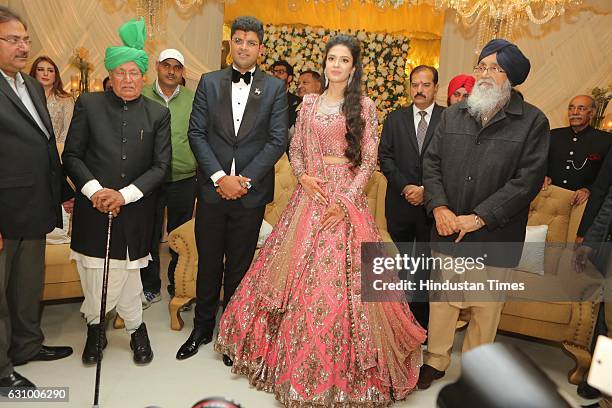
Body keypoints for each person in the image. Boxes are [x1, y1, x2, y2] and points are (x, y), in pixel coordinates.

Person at [214, 34, 426, 406]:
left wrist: (345, 201)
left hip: (345, 202)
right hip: (309, 197)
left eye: (344, 60)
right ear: (325, 63)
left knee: (342, 286)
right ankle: (285, 361)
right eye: (332, 59)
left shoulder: (364, 106)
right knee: (291, 277)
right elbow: (294, 149)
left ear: (354, 67)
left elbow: (369, 160)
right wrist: (303, 176)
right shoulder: (309, 104)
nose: (337, 65)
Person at [419, 39, 549, 389]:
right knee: (443, 303)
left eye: (496, 68)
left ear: (512, 76)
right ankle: (435, 360)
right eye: (482, 67)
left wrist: (480, 217)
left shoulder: (533, 121)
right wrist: (440, 207)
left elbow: (527, 181)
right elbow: (430, 164)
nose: (486, 75)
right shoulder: (453, 114)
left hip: (495, 232)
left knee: (485, 309)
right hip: (448, 227)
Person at [176, 16, 288, 360]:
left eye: (250, 42)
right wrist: (219, 178)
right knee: (209, 261)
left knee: (240, 266)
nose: (243, 46)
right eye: (238, 40)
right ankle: (202, 327)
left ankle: (232, 332)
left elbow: (276, 140)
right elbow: (196, 134)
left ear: (261, 49)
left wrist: (244, 180)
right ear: (230, 45)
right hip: (212, 191)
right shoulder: (209, 82)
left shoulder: (274, 88)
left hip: (251, 195)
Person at [62, 18, 171, 366]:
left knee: (129, 273)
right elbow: (72, 156)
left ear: (143, 75)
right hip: (94, 208)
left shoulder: (157, 113)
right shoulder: (89, 105)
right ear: (110, 75)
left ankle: (137, 328)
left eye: (133, 73)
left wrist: (124, 195)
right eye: (120, 73)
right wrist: (95, 191)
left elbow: (161, 166)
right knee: (94, 274)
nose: (127, 79)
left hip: (135, 210)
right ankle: (96, 328)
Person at [0, 5, 73, 393]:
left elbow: (46, 144)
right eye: (13, 39)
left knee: (27, 285)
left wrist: (63, 192)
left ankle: (27, 345)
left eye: (26, 39)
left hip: (35, 205)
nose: (24, 46)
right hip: (4, 211)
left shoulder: (28, 85)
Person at [378, 64, 444, 330]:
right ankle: (397, 324)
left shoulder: (449, 119)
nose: (419, 90)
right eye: (415, 84)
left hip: (434, 206)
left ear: (436, 88)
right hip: (400, 204)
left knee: (427, 268)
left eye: (426, 85)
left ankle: (421, 327)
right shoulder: (395, 119)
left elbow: (451, 162)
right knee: (401, 265)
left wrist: (427, 191)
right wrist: (407, 187)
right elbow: (385, 157)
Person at [141, 48, 196, 306]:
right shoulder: (141, 95)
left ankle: (178, 284)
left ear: (182, 71)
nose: (171, 71)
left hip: (184, 177)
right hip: (149, 179)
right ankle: (150, 286)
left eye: (176, 67)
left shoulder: (192, 98)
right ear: (157, 67)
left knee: (180, 235)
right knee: (149, 235)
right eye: (166, 65)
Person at [544, 95, 612, 207]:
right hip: (549, 198)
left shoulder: (606, 140)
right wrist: (542, 176)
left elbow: (607, 175)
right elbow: (539, 163)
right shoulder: (553, 135)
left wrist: (589, 190)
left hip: (582, 204)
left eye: (581, 108)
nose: (574, 112)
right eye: (571, 108)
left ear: (592, 113)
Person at [29, 56, 74, 143]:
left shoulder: (66, 100)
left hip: (57, 150)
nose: (45, 73)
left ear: (55, 76)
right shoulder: (25, 97)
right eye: (41, 69)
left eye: (50, 70)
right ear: (34, 73)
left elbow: (68, 132)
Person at [271, 59, 301, 127]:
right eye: (274, 72)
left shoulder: (297, 102)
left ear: (289, 78)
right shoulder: (263, 98)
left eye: (280, 72)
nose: (275, 75)